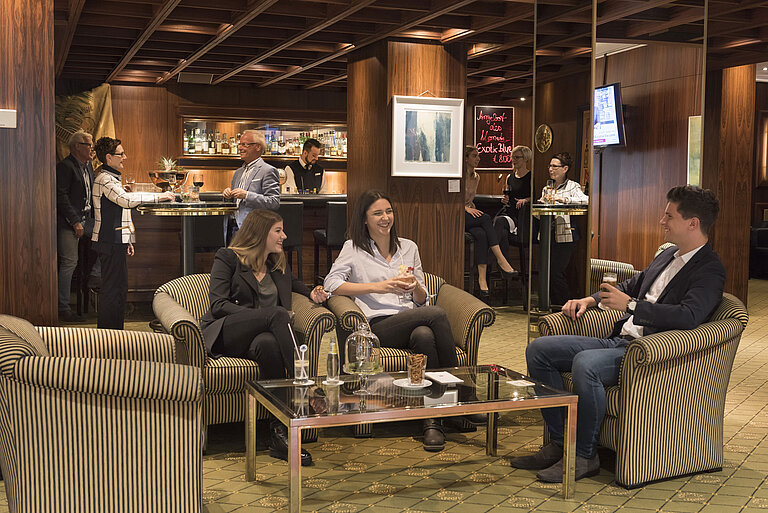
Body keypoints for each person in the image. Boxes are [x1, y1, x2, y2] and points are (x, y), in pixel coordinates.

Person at [511, 185, 725, 483]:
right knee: (539, 350)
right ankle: (561, 443)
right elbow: (630, 285)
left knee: (586, 363)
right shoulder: (668, 255)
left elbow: (689, 316)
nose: (662, 221)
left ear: (693, 223)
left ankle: (585, 456)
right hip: (617, 340)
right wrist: (591, 299)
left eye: (669, 216)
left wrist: (633, 306)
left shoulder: (710, 270)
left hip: (646, 352)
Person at [324, 189, 485, 452]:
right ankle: (462, 394)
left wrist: (416, 289)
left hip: (414, 319)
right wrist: (380, 286)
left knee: (424, 334)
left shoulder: (408, 247)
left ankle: (431, 420)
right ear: (365, 219)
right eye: (377, 213)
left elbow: (422, 298)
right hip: (379, 327)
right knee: (436, 315)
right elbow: (332, 284)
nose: (385, 218)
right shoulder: (353, 248)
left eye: (388, 212)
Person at [200, 209, 329, 466]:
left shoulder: (278, 265)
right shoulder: (227, 258)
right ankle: (307, 385)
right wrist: (262, 316)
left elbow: (297, 286)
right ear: (260, 233)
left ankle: (278, 435)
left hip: (261, 339)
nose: (284, 235)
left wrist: (313, 293)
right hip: (228, 332)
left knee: (268, 344)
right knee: (278, 315)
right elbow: (218, 304)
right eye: (278, 230)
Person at [91, 137, 175, 329]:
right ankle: (109, 335)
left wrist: (128, 239)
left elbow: (121, 209)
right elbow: (126, 201)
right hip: (109, 241)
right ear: (109, 157)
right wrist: (159, 196)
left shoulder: (110, 178)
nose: (125, 157)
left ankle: (113, 332)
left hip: (114, 240)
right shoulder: (105, 179)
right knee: (113, 290)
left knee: (118, 289)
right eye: (121, 154)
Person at [464, 146, 518, 300]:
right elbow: (451, 200)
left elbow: (470, 199)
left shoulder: (476, 177)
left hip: (469, 213)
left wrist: (470, 206)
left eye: (478, 156)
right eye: (474, 156)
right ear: (466, 158)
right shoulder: (459, 176)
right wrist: (465, 208)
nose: (478, 158)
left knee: (481, 235)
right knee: (487, 219)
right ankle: (501, 260)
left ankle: (482, 281)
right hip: (457, 216)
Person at [56, 130, 98, 322]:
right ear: (77, 147)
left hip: (87, 220)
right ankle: (62, 307)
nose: (92, 148)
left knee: (107, 242)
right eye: (89, 144)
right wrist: (74, 222)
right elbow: (61, 197)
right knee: (69, 262)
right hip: (68, 222)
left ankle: (92, 279)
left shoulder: (88, 166)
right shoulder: (65, 166)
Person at [538, 152, 588, 306]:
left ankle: (563, 306)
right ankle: (552, 306)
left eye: (554, 166)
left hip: (566, 234)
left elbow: (585, 200)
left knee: (556, 272)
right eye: (550, 166)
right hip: (548, 234)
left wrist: (564, 199)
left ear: (565, 168)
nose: (551, 169)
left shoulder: (573, 186)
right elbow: (541, 213)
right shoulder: (547, 187)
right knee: (546, 272)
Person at [223, 130, 280, 242]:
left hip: (253, 230)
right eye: (240, 144)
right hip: (233, 228)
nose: (240, 148)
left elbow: (274, 202)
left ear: (257, 147)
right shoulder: (238, 172)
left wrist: (247, 195)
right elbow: (235, 203)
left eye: (245, 144)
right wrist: (228, 196)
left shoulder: (268, 170)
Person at [494, 145, 533, 256]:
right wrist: (505, 199)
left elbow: (535, 197)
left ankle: (490, 263)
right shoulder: (509, 177)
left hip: (521, 216)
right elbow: (508, 196)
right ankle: (505, 266)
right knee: (502, 232)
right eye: (512, 157)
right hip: (509, 212)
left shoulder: (531, 176)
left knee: (499, 223)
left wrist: (525, 200)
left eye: (517, 157)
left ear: (525, 159)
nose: (513, 160)